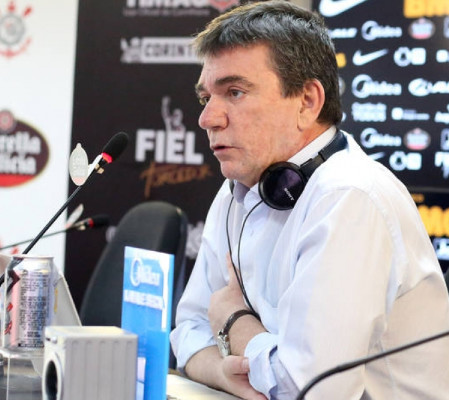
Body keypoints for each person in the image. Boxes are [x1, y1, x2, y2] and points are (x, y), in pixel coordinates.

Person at [170, 1, 449, 399]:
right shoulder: (238, 189)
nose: (208, 118)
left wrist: (233, 321)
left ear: (307, 101)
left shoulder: (350, 196)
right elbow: (188, 333)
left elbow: (309, 390)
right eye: (206, 98)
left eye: (235, 92)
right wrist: (222, 371)